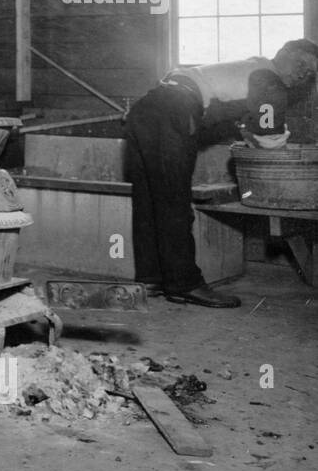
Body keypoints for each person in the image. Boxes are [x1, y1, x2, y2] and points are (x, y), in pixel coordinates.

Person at [124, 38, 318, 307]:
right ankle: (184, 284)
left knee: (148, 199)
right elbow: (269, 135)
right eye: (300, 63)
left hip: (148, 106)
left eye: (309, 73)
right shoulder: (269, 79)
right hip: (176, 109)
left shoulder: (252, 67)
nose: (302, 73)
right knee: (174, 201)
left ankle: (151, 278)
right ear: (282, 54)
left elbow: (241, 117)